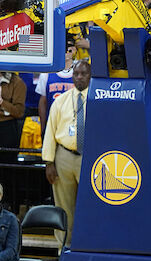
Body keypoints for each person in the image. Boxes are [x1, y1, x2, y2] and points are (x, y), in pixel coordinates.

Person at [42, 59, 91, 250]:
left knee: (89, 204)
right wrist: (48, 162)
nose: (79, 77)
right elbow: (50, 131)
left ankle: (88, 245)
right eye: (76, 74)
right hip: (63, 156)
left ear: (90, 76)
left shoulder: (98, 100)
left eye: (83, 73)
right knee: (64, 206)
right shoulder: (61, 100)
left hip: (89, 158)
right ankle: (64, 247)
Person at [36, 38, 77, 135]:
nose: (66, 50)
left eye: (69, 46)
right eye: (64, 46)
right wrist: (43, 127)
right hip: (54, 125)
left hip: (74, 125)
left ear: (75, 49)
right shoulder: (47, 73)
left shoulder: (81, 72)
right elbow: (43, 102)